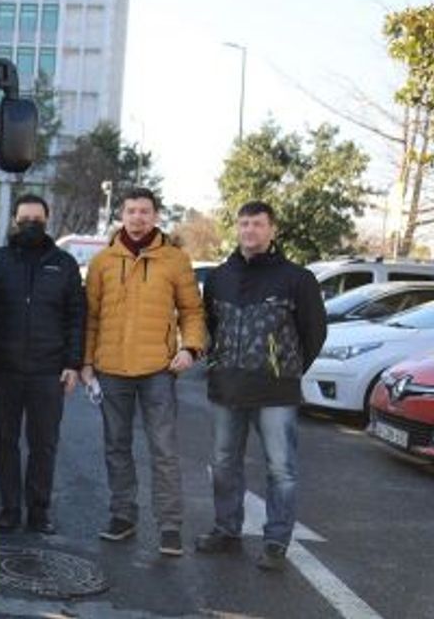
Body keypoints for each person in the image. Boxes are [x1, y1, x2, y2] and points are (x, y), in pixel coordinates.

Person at [195, 201, 326, 571]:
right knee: (223, 464)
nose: (249, 230)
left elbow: (314, 332)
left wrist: (285, 369)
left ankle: (275, 542)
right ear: (237, 229)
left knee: (281, 469)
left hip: (276, 393)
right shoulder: (219, 277)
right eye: (244, 223)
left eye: (257, 224)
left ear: (272, 230)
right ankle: (226, 529)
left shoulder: (298, 278)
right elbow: (211, 326)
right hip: (226, 388)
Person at [81, 187, 205, 556]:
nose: (138, 217)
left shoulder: (175, 260)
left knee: (164, 449)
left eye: (145, 211)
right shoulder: (103, 262)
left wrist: (190, 348)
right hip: (111, 368)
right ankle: (123, 516)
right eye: (131, 211)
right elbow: (91, 318)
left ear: (155, 216)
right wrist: (86, 362)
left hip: (158, 370)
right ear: (121, 215)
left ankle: (169, 526)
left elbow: (192, 311)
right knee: (116, 447)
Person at [0, 193, 84, 534]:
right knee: (5, 442)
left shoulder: (64, 264)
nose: (31, 224)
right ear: (15, 221)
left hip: (48, 371)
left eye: (37, 219)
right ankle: (10, 509)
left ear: (47, 220)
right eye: (24, 219)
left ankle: (39, 512)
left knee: (44, 445)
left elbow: (76, 316)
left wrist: (73, 363)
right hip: (3, 368)